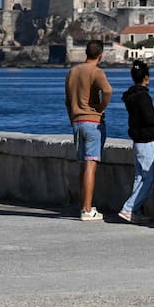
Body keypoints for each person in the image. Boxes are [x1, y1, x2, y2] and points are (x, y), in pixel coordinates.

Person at [65, 40, 112, 221]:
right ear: (100, 55)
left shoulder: (72, 72)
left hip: (77, 122)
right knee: (91, 165)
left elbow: (67, 101)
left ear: (86, 52)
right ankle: (87, 209)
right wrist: (100, 108)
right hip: (92, 122)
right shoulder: (96, 72)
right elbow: (108, 91)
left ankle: (83, 205)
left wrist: (73, 119)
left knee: (83, 165)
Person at [119, 60, 154, 224]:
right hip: (147, 141)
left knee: (140, 178)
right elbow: (148, 118)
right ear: (146, 77)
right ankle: (129, 208)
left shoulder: (130, 97)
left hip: (137, 141)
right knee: (150, 178)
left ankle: (135, 211)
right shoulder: (143, 96)